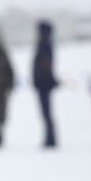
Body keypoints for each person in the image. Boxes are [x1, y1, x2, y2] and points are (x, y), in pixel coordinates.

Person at [31, 19, 59, 147]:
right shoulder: (44, 44)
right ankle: (49, 138)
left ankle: (51, 139)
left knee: (46, 113)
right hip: (42, 84)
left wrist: (45, 80)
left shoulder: (45, 45)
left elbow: (46, 66)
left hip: (44, 85)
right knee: (45, 113)